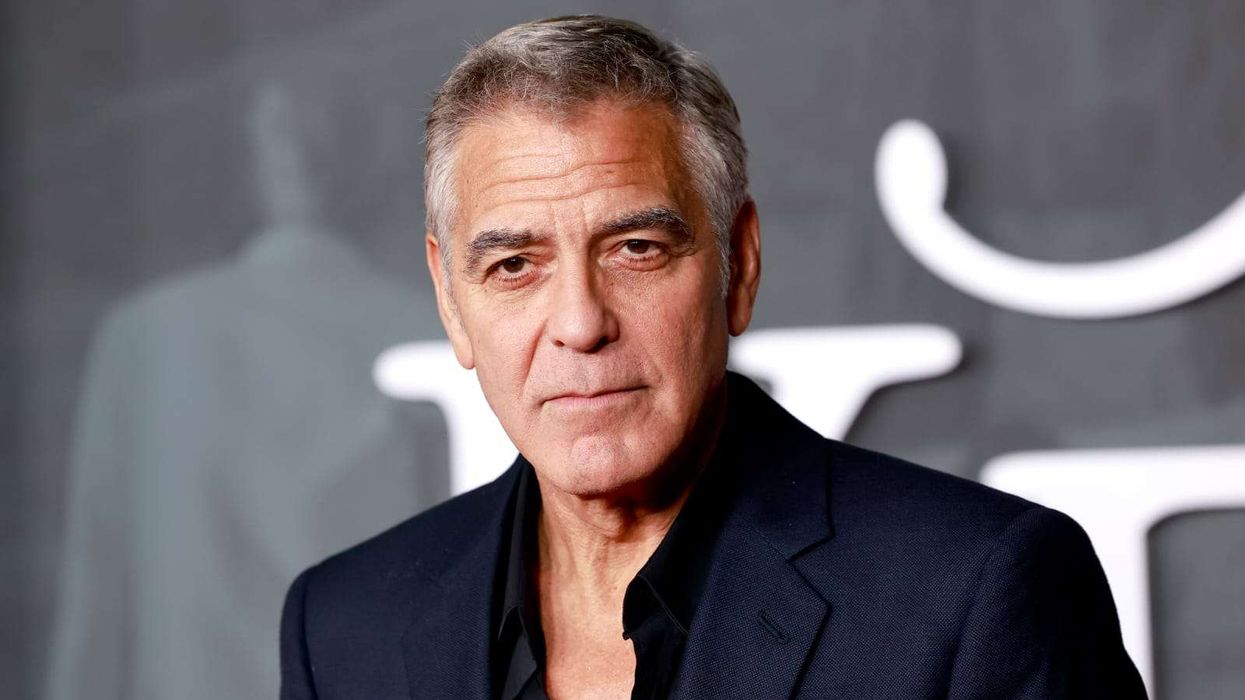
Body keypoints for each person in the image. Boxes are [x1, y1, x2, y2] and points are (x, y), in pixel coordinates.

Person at [280, 15, 1146, 699]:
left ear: (740, 264)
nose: (579, 323)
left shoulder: (977, 591)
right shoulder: (343, 628)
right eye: (514, 265)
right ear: (450, 300)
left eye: (636, 249)